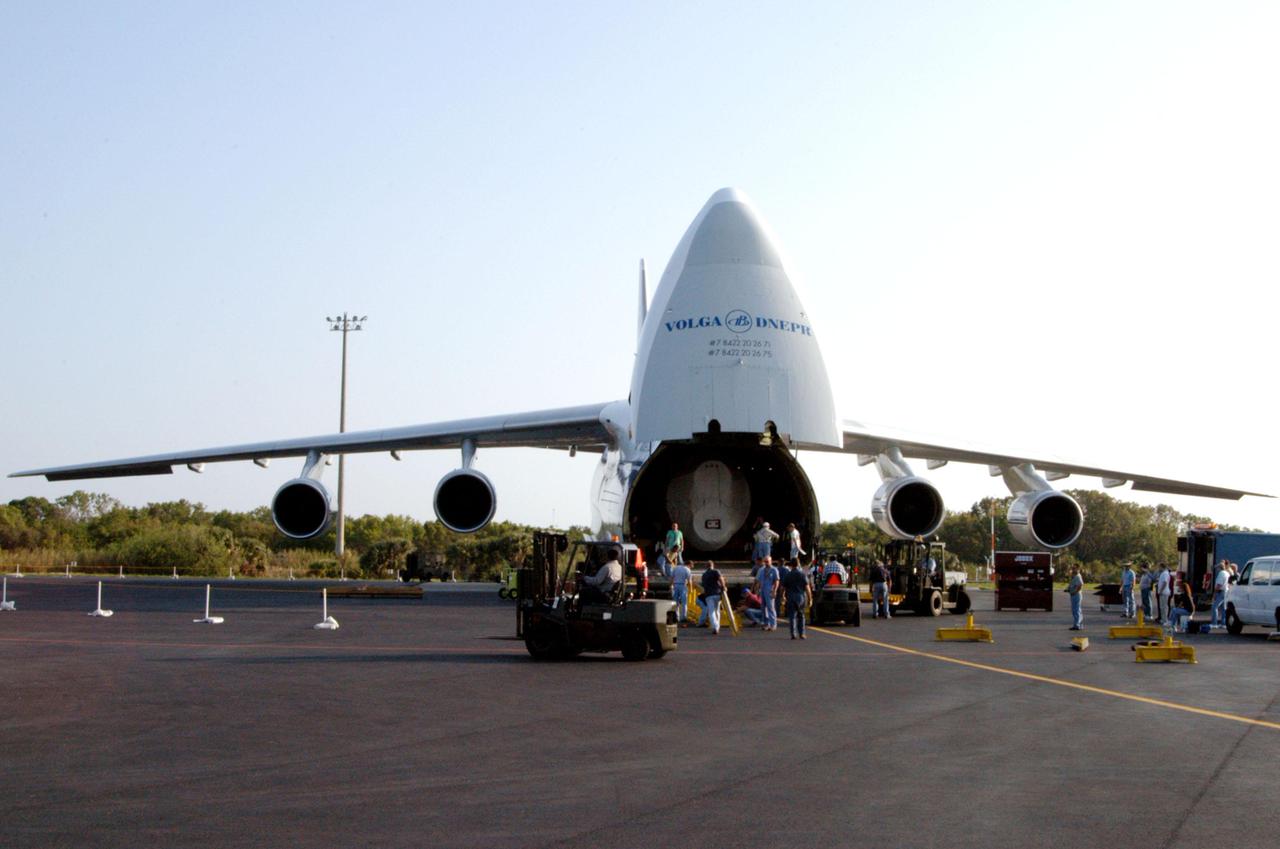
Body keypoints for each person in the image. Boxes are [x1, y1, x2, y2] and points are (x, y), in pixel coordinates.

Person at [781, 558, 813, 640]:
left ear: (791, 565)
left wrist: (783, 596)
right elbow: (807, 588)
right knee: (801, 616)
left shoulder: (788, 575)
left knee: (792, 616)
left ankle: (793, 634)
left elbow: (783, 588)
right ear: (798, 564)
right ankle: (802, 633)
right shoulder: (802, 574)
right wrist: (810, 599)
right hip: (801, 597)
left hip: (791, 597)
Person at [753, 556, 780, 631]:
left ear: (771, 561)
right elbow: (758, 581)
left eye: (767, 561)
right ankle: (766, 624)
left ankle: (773, 624)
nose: (766, 563)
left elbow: (777, 581)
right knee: (763, 608)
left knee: (770, 607)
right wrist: (757, 590)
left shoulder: (774, 570)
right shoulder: (761, 570)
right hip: (762, 590)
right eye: (765, 561)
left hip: (770, 591)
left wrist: (774, 590)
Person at [700, 561, 727, 635]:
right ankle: (717, 627)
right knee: (717, 610)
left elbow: (703, 585)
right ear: (713, 565)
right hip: (717, 593)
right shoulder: (716, 571)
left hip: (708, 594)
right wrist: (723, 587)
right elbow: (721, 579)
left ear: (706, 566)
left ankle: (715, 627)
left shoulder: (704, 575)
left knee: (711, 612)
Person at [670, 559, 692, 626]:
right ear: (689, 564)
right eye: (691, 566)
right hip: (683, 586)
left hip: (675, 585)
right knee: (684, 602)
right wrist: (690, 589)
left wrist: (670, 585)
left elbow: (672, 577)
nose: (691, 567)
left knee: (675, 602)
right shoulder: (687, 570)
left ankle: (676, 617)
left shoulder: (676, 568)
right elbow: (689, 580)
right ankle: (683, 617)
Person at [1211, 559, 1230, 628]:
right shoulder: (1227, 573)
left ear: (1220, 568)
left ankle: (1214, 623)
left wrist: (1214, 593)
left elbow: (1219, 585)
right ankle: (1223, 623)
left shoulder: (1221, 573)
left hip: (1221, 592)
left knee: (1214, 607)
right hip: (1225, 591)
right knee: (1223, 608)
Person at [1066, 565, 1084, 630]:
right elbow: (1073, 585)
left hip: (1076, 595)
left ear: (1078, 569)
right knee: (1077, 610)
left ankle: (1077, 625)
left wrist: (1074, 592)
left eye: (1074, 569)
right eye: (1072, 568)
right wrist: (1068, 589)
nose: (1073, 570)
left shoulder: (1078, 576)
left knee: (1076, 610)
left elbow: (1080, 585)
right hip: (1073, 594)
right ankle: (1079, 624)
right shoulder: (1074, 577)